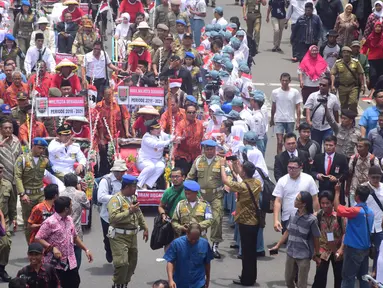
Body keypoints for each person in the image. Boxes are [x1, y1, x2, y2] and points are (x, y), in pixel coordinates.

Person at [220, 158, 262, 286]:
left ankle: (247, 279)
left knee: (246, 253)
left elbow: (225, 181)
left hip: (245, 223)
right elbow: (241, 176)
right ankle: (249, 276)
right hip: (254, 222)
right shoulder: (257, 183)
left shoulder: (242, 186)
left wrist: (222, 166)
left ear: (245, 173)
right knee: (251, 253)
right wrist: (235, 167)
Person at [35, 196, 93, 288]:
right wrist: (52, 248)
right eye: (71, 206)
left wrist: (86, 250)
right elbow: (38, 238)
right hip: (56, 265)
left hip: (71, 262)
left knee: (75, 283)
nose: (72, 207)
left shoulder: (69, 219)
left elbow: (74, 237)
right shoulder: (50, 222)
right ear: (66, 209)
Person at [270, 191, 321, 288]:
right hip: (291, 253)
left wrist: (317, 253)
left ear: (304, 204)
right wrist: (278, 245)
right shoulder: (293, 214)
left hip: (304, 255)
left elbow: (316, 237)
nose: (294, 201)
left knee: (301, 284)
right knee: (289, 280)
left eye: (297, 199)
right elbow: (288, 231)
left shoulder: (311, 220)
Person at [107, 174, 149, 288]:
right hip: (119, 236)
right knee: (122, 263)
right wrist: (129, 211)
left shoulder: (133, 198)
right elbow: (113, 218)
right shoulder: (116, 200)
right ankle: (118, 284)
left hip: (132, 236)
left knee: (132, 263)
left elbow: (138, 213)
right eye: (133, 187)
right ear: (127, 187)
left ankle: (124, 283)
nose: (135, 189)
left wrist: (145, 227)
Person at [187, 139, 225, 258]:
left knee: (217, 219)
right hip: (201, 196)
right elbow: (190, 177)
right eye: (207, 149)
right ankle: (198, 244)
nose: (210, 151)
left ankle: (215, 245)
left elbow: (227, 176)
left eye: (212, 149)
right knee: (197, 221)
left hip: (216, 196)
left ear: (215, 149)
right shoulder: (198, 161)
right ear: (204, 149)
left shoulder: (221, 161)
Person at [333, 184, 374, 288]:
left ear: (357, 196)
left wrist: (337, 192)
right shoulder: (370, 212)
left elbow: (338, 209)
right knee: (364, 277)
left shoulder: (355, 211)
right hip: (365, 248)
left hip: (353, 249)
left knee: (348, 277)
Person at [14, 138, 51, 243]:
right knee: (29, 223)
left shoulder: (44, 160)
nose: (41, 151)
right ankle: (31, 247)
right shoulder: (23, 159)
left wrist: (70, 178)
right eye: (39, 148)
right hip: (27, 196)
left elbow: (55, 171)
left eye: (43, 149)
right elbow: (17, 177)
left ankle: (43, 245)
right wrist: (22, 194)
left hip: (40, 195)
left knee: (45, 219)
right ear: (33, 146)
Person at [273, 157, 319, 234]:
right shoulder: (282, 181)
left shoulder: (308, 179)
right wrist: (276, 220)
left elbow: (315, 198)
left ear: (300, 167)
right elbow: (278, 201)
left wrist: (317, 214)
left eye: (294, 168)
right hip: (287, 218)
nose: (291, 170)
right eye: (289, 168)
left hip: (306, 218)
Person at [312, 190, 345, 288]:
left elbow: (345, 233)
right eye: (322, 203)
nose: (325, 205)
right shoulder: (317, 216)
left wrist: (341, 249)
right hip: (323, 250)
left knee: (339, 278)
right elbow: (313, 235)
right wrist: (315, 251)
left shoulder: (340, 216)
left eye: (327, 203)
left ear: (332, 203)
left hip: (337, 251)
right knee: (319, 278)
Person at [164, 223, 213, 288]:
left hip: (198, 283)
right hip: (180, 283)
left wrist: (208, 278)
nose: (193, 241)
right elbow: (170, 261)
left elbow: (207, 263)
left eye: (196, 239)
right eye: (191, 239)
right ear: (187, 233)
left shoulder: (204, 244)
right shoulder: (177, 243)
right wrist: (170, 280)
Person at [97, 159, 127, 263]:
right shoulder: (106, 181)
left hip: (123, 215)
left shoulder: (126, 180)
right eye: (120, 172)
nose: (122, 174)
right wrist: (117, 198)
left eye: (123, 172)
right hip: (107, 216)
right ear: (115, 172)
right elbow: (100, 197)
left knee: (122, 237)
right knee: (109, 238)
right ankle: (109, 250)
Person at [60, 173, 90, 268]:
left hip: (62, 231)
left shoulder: (60, 194)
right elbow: (88, 206)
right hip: (76, 231)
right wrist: (81, 190)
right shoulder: (80, 194)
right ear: (76, 183)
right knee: (77, 259)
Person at [136, 119, 176, 189]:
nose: (159, 130)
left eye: (159, 128)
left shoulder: (160, 134)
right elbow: (156, 144)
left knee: (161, 166)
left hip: (156, 160)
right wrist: (169, 141)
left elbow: (169, 136)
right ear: (151, 131)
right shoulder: (146, 137)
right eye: (156, 129)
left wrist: (176, 138)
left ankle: (147, 184)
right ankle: (138, 185)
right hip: (144, 160)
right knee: (150, 166)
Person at [270, 72, 302, 154]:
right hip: (279, 120)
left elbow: (298, 107)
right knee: (280, 142)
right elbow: (273, 106)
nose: (284, 82)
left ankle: (289, 159)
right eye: (283, 80)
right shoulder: (275, 92)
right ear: (280, 80)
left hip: (290, 120)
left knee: (289, 143)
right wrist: (272, 118)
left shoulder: (295, 92)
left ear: (289, 81)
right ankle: (279, 161)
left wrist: (298, 121)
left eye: (286, 81)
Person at [304, 76, 340, 149]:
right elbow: (308, 108)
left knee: (328, 148)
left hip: (328, 127)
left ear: (329, 86)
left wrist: (337, 125)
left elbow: (336, 111)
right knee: (316, 148)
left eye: (324, 85)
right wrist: (308, 120)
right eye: (320, 84)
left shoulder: (333, 98)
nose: (321, 86)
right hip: (315, 127)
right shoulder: (313, 96)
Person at [330, 46, 365, 113]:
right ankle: (344, 118)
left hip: (353, 86)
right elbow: (333, 74)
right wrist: (332, 85)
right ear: (342, 54)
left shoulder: (356, 62)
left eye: (348, 52)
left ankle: (353, 115)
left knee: (353, 102)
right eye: (344, 52)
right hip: (342, 87)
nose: (346, 54)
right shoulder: (338, 63)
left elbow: (361, 73)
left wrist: (363, 85)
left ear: (350, 54)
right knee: (343, 104)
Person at [174, 104, 204, 175]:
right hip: (183, 156)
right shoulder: (180, 125)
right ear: (185, 113)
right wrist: (181, 138)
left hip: (196, 156)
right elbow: (176, 138)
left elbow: (202, 139)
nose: (192, 114)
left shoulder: (200, 124)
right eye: (189, 112)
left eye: (193, 112)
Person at [363, 166, 383, 272]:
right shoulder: (363, 188)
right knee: (364, 251)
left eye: (378, 177)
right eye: (373, 177)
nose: (375, 180)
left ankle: (375, 274)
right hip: (366, 225)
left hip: (380, 226)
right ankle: (363, 273)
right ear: (369, 176)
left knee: (379, 252)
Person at [0, 164, 14, 282]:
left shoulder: (7, 185)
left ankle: (1, 268)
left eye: (1, 171)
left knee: (6, 244)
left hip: (4, 220)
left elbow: (12, 204)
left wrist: (13, 218)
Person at [13, 0, 35, 72]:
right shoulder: (19, 15)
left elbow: (35, 26)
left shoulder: (32, 15)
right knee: (22, 51)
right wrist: (13, 37)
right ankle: (22, 68)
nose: (25, 8)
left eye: (27, 7)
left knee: (30, 51)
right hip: (21, 36)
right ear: (22, 7)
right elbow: (15, 26)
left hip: (30, 36)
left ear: (29, 8)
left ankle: (29, 67)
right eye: (24, 7)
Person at [361, 21, 383, 89]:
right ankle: (373, 89)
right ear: (374, 28)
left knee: (380, 75)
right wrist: (362, 56)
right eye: (376, 27)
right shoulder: (370, 37)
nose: (378, 28)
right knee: (373, 75)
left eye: (379, 27)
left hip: (381, 59)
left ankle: (379, 90)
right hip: (372, 59)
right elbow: (365, 47)